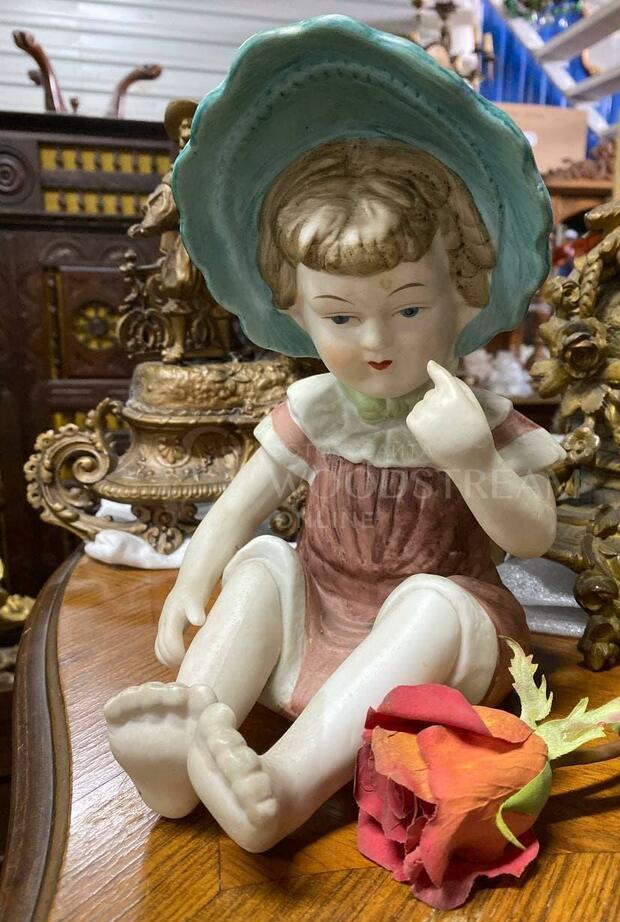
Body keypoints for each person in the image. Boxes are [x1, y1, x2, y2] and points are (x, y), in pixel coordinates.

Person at [104, 16, 565, 853]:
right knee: (263, 560)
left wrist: (470, 458)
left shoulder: (472, 416)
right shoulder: (318, 407)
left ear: (464, 293)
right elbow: (239, 508)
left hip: (432, 657)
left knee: (433, 601)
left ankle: (284, 787)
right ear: (296, 312)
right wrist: (191, 582)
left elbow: (533, 534)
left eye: (409, 308)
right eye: (341, 317)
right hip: (318, 627)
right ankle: (186, 744)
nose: (376, 341)